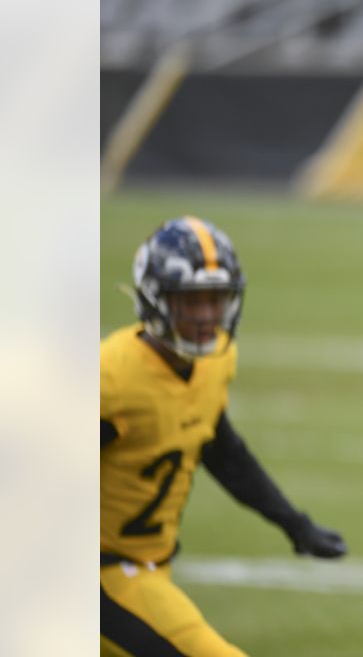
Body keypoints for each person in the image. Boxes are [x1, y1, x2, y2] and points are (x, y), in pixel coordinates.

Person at [100, 216, 347, 656]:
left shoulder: (215, 360)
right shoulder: (113, 377)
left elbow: (222, 450)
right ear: (156, 299)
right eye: (191, 302)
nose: (207, 316)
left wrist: (293, 523)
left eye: (216, 300)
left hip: (148, 568)